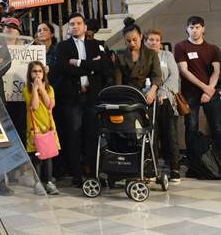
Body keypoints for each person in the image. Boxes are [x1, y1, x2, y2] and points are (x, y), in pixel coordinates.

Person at [55, 13, 106, 187]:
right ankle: (76, 175)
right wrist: (90, 67)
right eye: (71, 24)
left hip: (91, 98)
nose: (75, 26)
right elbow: (64, 69)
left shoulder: (97, 45)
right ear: (68, 28)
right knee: (73, 135)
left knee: (91, 135)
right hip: (72, 98)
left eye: (78, 23)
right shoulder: (62, 46)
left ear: (85, 27)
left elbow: (103, 66)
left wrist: (77, 63)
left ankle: (92, 171)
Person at [174, 16, 221, 158]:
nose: (194, 30)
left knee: (217, 127)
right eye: (191, 27)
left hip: (211, 92)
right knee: (192, 126)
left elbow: (217, 71)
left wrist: (209, 89)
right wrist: (205, 87)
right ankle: (193, 161)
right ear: (187, 29)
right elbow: (184, 71)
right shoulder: (181, 46)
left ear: (203, 29)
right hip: (190, 93)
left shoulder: (213, 49)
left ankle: (218, 160)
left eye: (197, 27)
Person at [145, 28, 181, 183]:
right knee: (152, 137)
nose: (154, 43)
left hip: (166, 101)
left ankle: (174, 169)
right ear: (145, 41)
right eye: (151, 40)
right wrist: (150, 94)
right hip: (148, 100)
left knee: (170, 135)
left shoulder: (168, 55)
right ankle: (151, 170)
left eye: (157, 40)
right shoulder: (142, 58)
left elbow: (174, 76)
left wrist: (161, 93)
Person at [23, 61, 60, 195]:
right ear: (30, 74)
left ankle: (49, 182)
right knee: (37, 156)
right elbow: (35, 106)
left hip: (48, 127)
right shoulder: (26, 90)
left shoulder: (50, 89)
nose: (37, 74)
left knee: (48, 155)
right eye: (34, 71)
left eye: (40, 71)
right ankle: (38, 183)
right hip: (35, 127)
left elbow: (50, 104)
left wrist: (43, 89)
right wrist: (34, 89)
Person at [113, 18, 162, 105]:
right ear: (124, 41)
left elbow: (157, 76)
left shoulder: (151, 54)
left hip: (146, 93)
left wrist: (152, 91)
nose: (132, 43)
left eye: (135, 39)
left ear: (141, 36)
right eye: (128, 41)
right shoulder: (120, 56)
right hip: (127, 94)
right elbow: (118, 82)